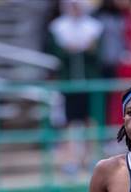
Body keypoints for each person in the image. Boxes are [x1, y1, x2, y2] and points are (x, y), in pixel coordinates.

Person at [46, 0, 103, 172]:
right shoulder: (58, 27)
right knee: (69, 121)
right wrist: (70, 49)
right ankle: (70, 160)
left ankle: (90, 157)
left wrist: (85, 48)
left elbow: (98, 53)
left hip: (89, 82)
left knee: (90, 120)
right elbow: (55, 53)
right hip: (68, 82)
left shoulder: (94, 27)